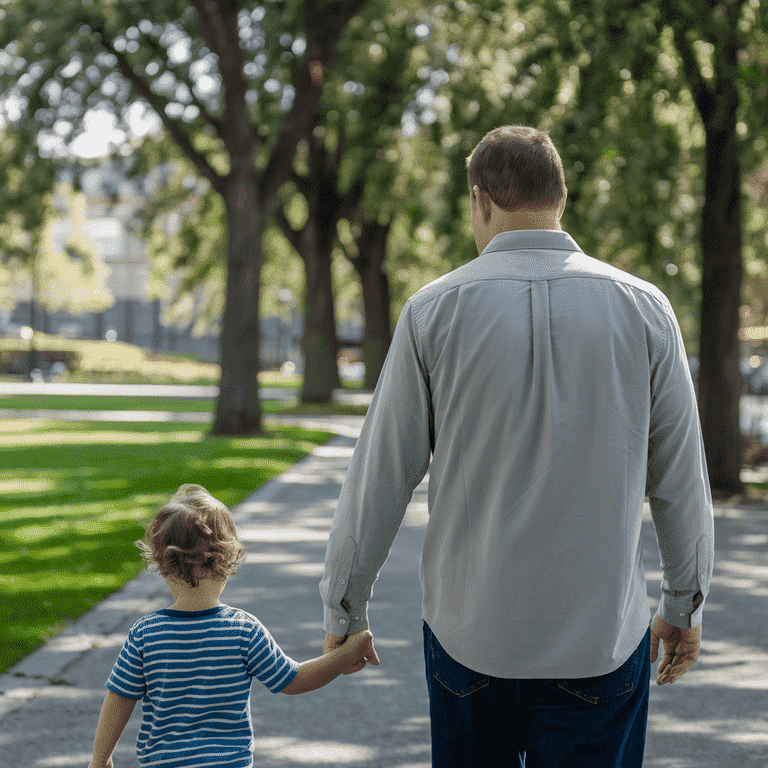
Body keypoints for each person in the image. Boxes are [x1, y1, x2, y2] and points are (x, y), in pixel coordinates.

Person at [320, 126, 714, 767]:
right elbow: (679, 479)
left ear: (480, 200)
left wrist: (345, 604)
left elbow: (381, 476)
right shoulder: (646, 310)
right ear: (561, 198)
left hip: (470, 636)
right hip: (599, 642)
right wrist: (684, 600)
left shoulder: (433, 312)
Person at [88, 484, 378, 768]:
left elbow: (120, 698)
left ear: (163, 564)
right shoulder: (242, 630)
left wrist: (100, 760)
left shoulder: (145, 634)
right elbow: (294, 680)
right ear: (224, 560)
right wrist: (347, 653)